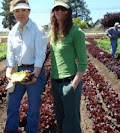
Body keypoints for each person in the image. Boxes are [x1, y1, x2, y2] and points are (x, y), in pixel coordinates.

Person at [4, 0, 48, 132]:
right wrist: (8, 70)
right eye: (17, 11)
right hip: (18, 71)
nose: (20, 13)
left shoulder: (38, 30)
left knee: (33, 107)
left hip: (34, 71)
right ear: (13, 13)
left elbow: (41, 55)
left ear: (29, 11)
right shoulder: (13, 31)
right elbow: (10, 54)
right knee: (12, 105)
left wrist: (35, 75)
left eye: (23, 10)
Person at [49, 0, 87, 133]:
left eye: (63, 9)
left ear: (68, 11)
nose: (59, 11)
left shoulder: (76, 31)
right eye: (56, 8)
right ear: (53, 12)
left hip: (69, 82)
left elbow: (83, 61)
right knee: (60, 119)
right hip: (55, 82)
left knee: (71, 121)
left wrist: (73, 85)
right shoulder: (53, 32)